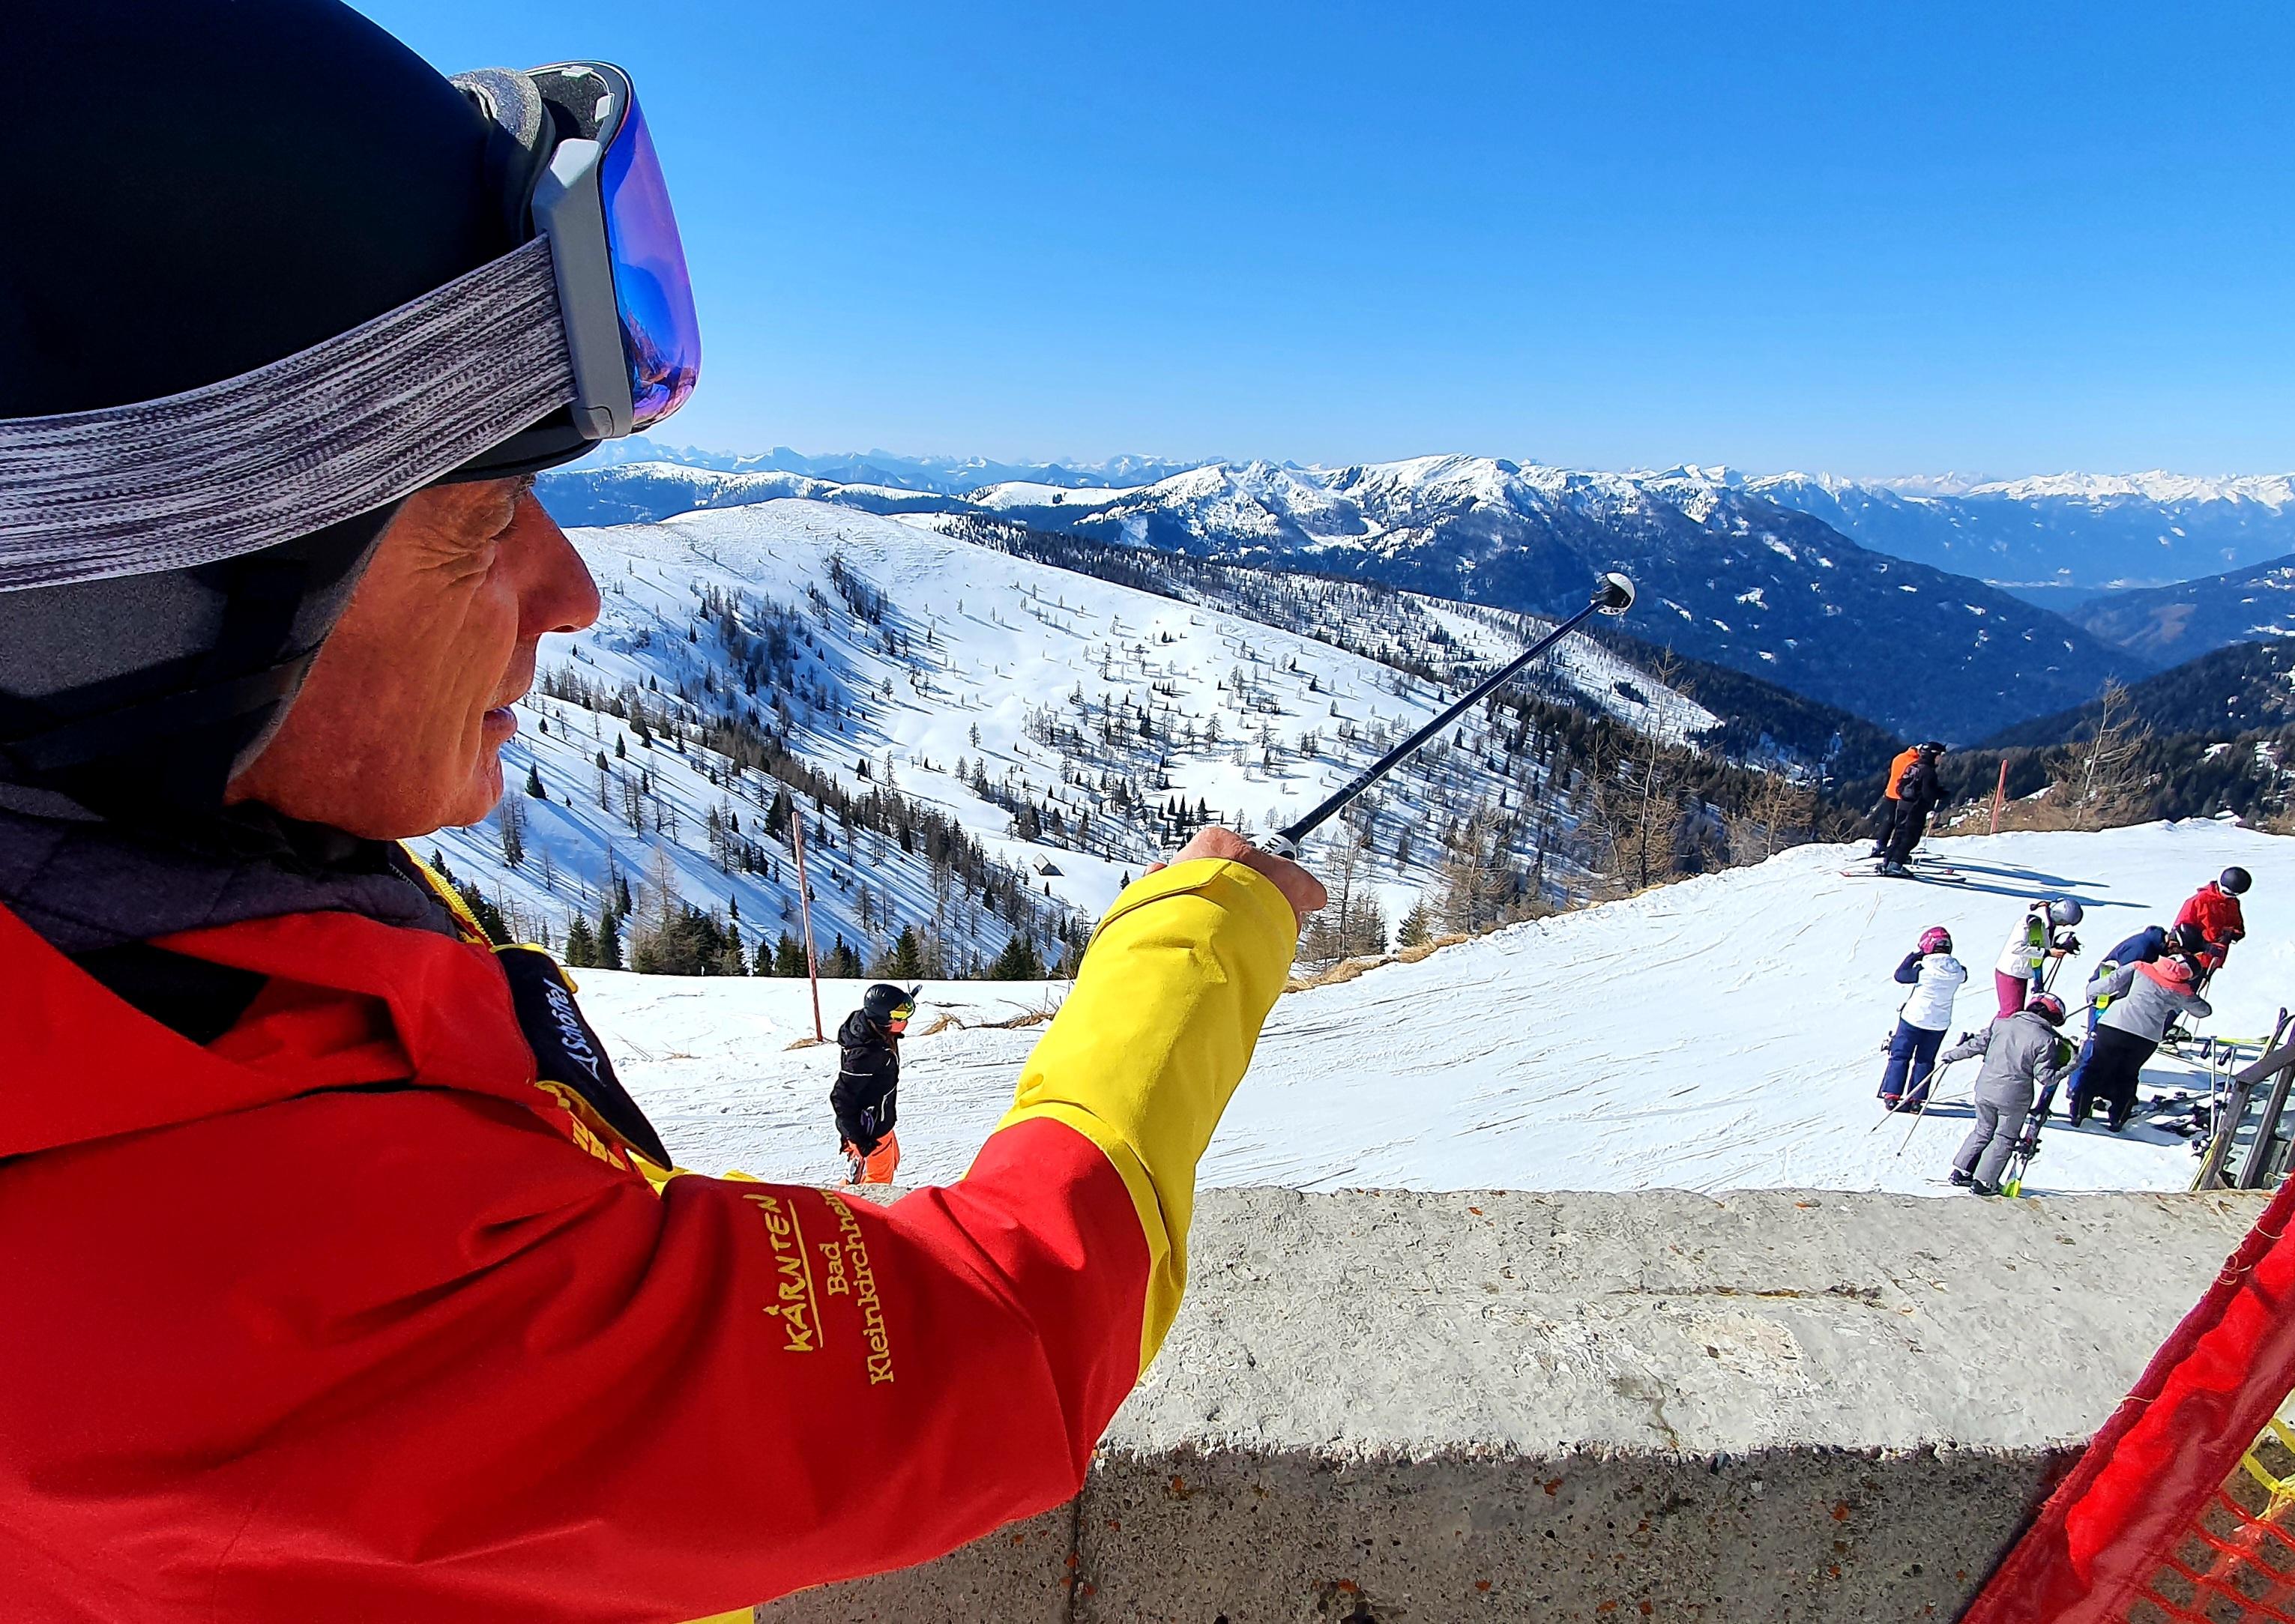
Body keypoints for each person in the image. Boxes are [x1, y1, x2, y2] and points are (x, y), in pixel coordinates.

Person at [0, 8, 1329, 1620]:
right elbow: (987, 1344)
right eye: (482, 516)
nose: (570, 590)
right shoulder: (261, 1266)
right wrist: (1196, 937)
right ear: (146, 611)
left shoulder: (150, 955)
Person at [1942, 993, 2074, 1196]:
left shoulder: (2001, 1024)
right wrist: (2072, 1064)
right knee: (2003, 1138)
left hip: (1985, 1089)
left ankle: (1961, 1172)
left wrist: (1951, 1055)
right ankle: (1984, 1182)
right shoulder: (2045, 1040)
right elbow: (2046, 1078)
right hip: (2014, 1097)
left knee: (1983, 1130)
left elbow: (1976, 1045)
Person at [2071, 953, 2213, 1130]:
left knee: (2096, 1068)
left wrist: (2092, 992)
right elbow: (2203, 1011)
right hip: (2146, 1037)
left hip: (2115, 1025)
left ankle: (2079, 1113)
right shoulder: (2182, 990)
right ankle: (2118, 1118)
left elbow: (2109, 983)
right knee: (2128, 1075)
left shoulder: (2140, 967)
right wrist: (2187, 993)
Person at [835, 982, 917, 1183]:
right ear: (882, 1020)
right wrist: (857, 1138)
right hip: (870, 1131)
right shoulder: (866, 1055)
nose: (906, 1020)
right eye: (899, 1016)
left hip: (880, 1119)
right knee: (877, 1183)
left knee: (890, 1161)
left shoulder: (874, 1030)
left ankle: (850, 1189)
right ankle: (853, 1202)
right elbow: (841, 1097)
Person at [1881, 926, 1970, 1111]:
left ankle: (1892, 1095)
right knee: (1925, 1060)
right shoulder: (1958, 971)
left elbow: (1900, 975)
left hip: (1913, 1019)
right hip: (1939, 1023)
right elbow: (1964, 974)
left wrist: (1916, 955)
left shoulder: (1924, 969)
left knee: (1901, 1055)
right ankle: (1917, 1100)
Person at [1994, 896, 2084, 1017]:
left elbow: (2039, 944)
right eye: (2064, 922)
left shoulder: (2046, 923)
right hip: (2011, 972)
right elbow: (2016, 948)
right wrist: (2048, 952)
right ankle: (1996, 1030)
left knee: (2011, 1012)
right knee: (2011, 1014)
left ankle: (1994, 1029)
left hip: (2020, 972)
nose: (2063, 926)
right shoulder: (2034, 922)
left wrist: (2060, 946)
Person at [1877, 740, 1949, 874]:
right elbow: (1928, 794)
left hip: (1902, 805)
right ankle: (1895, 865)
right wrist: (1941, 794)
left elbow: (1901, 785)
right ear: (1934, 755)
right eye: (1940, 755)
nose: (1941, 759)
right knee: (1910, 838)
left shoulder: (1913, 766)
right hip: (1916, 809)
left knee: (1899, 835)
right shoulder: (1929, 772)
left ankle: (1888, 862)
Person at [2175, 866, 2252, 981]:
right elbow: (2180, 933)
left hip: (2213, 961)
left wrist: (2231, 934)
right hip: (2191, 962)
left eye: (2233, 895)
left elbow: (2238, 927)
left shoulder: (2232, 903)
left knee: (2198, 989)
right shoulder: (2199, 901)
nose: (2228, 896)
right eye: (2226, 892)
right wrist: (2206, 947)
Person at [1866, 743, 1922, 860]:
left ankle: (1881, 845)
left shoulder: (1899, 757)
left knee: (1889, 821)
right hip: (1904, 796)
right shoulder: (1916, 763)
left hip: (1890, 793)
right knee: (1901, 825)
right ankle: (1895, 850)